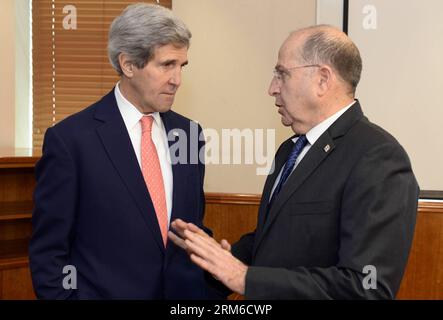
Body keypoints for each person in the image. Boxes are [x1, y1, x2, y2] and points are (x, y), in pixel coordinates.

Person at [169, 25, 420, 299]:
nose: (271, 88)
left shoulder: (378, 157)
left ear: (323, 79)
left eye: (282, 74)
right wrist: (216, 258)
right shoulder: (289, 149)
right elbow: (273, 241)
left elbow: (366, 288)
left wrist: (245, 278)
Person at [30, 3, 214, 299]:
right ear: (128, 64)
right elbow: (49, 253)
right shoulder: (71, 141)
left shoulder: (189, 134)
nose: (177, 79)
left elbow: (190, 228)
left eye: (182, 66)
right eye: (167, 65)